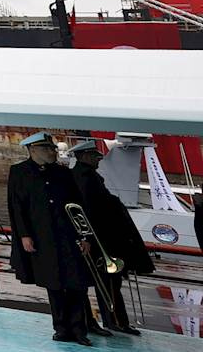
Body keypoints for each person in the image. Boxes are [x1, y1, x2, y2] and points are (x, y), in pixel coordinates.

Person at [7, 131, 95, 345]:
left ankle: (79, 329)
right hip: (43, 237)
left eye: (52, 148)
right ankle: (61, 328)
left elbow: (78, 205)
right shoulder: (19, 172)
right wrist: (24, 235)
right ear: (33, 150)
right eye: (47, 148)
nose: (52, 152)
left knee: (76, 283)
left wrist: (85, 236)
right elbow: (17, 207)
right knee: (53, 284)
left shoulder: (62, 173)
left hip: (68, 236)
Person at [69, 139, 150, 335]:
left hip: (98, 237)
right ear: (85, 156)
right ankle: (115, 321)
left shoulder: (83, 176)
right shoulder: (86, 179)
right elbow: (90, 211)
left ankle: (105, 320)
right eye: (95, 156)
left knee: (105, 281)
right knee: (109, 281)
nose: (99, 159)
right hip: (101, 239)